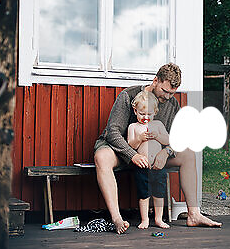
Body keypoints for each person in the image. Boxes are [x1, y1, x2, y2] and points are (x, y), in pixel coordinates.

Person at [93, 63, 222, 234]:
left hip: (153, 153)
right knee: (101, 157)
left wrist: (166, 152)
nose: (168, 97)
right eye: (165, 91)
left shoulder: (172, 104)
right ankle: (117, 219)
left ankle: (194, 214)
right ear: (155, 81)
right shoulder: (128, 95)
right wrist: (132, 155)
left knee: (188, 154)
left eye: (172, 93)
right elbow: (113, 133)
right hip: (123, 150)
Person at [127, 91, 169, 229]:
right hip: (142, 167)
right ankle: (144, 219)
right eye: (142, 114)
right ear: (135, 111)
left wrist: (157, 136)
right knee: (144, 194)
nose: (146, 117)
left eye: (149, 114)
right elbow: (130, 146)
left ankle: (158, 219)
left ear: (155, 112)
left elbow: (168, 140)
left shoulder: (158, 125)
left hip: (158, 166)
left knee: (159, 194)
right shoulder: (133, 127)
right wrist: (139, 138)